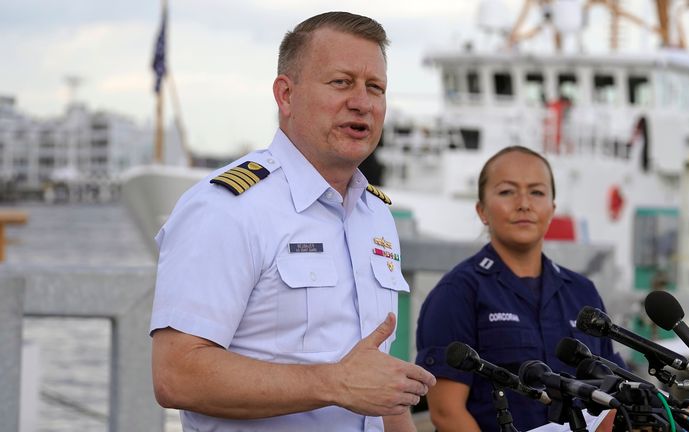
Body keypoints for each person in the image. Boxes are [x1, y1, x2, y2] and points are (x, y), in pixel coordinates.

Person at [149, 11, 436, 432]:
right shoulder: (228, 209)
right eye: (341, 82)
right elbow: (176, 375)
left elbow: (375, 384)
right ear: (286, 95)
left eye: (375, 87)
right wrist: (333, 383)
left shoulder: (375, 216)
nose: (362, 101)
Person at [415, 146, 625, 431]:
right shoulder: (457, 293)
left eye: (537, 192)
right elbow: (446, 412)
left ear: (551, 208)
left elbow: (613, 394)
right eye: (506, 192)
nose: (524, 203)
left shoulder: (583, 293)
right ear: (482, 210)